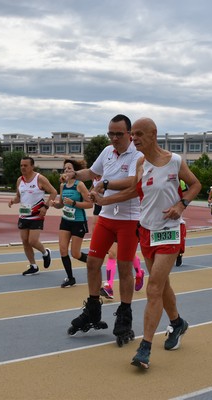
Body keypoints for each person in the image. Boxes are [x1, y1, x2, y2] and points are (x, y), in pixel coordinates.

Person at [92, 117, 201, 369]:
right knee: (162, 287)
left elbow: (195, 185)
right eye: (134, 134)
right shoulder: (141, 163)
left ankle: (145, 348)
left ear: (153, 134)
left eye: (139, 134)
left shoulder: (174, 162)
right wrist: (104, 201)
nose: (135, 138)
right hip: (147, 232)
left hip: (171, 231)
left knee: (153, 288)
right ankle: (177, 322)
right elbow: (133, 191)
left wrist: (180, 205)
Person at [66, 114, 143, 346]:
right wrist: (74, 174)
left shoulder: (138, 155)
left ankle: (125, 315)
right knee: (92, 262)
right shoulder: (108, 151)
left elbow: (133, 182)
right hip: (106, 217)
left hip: (129, 219)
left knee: (124, 266)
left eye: (119, 134)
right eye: (111, 133)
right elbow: (92, 172)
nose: (115, 138)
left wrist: (105, 183)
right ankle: (92, 309)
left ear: (130, 134)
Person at [9, 157, 57, 276]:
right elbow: (18, 197)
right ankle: (33, 266)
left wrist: (45, 207)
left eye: (25, 165)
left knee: (33, 241)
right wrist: (13, 201)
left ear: (32, 166)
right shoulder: (20, 180)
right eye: (21, 165)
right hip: (23, 215)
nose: (23, 168)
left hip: (36, 215)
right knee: (25, 242)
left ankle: (45, 253)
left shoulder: (39, 178)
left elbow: (54, 192)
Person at [51, 159, 92, 287]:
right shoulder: (63, 185)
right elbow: (62, 204)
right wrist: (55, 204)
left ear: (75, 172)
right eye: (65, 169)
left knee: (75, 254)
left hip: (78, 222)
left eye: (69, 168)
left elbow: (90, 204)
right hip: (66, 221)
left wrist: (74, 203)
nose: (66, 171)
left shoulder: (79, 185)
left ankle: (93, 262)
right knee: (63, 249)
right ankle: (70, 278)